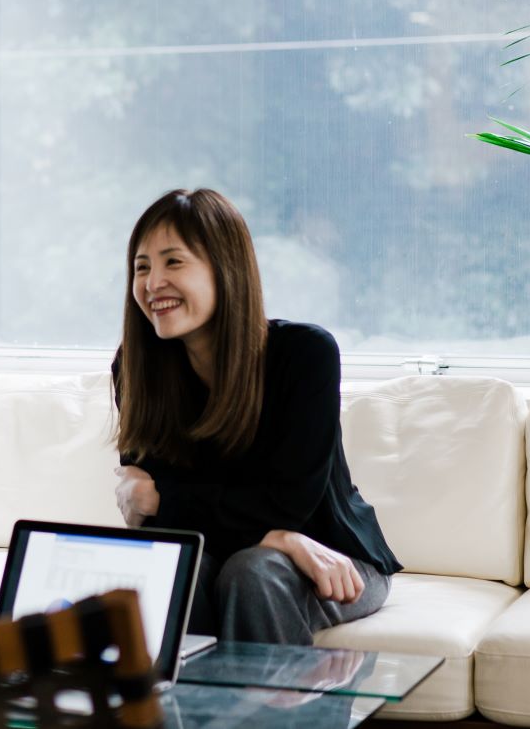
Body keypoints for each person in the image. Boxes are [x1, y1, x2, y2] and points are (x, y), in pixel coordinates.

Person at [111, 188, 401, 645]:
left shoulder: (304, 355)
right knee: (176, 565)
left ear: (225, 270)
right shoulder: (136, 368)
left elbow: (288, 505)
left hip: (333, 556)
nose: (151, 283)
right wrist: (278, 536)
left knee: (252, 572)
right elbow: (165, 527)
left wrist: (165, 498)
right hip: (243, 550)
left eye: (174, 262)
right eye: (141, 266)